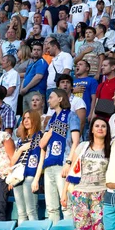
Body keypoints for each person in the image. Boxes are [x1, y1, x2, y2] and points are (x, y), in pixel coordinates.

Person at [62, 117, 110, 230]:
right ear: (92, 130)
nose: (100, 128)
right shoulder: (83, 146)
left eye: (103, 126)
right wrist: (64, 193)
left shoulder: (110, 149)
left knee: (99, 229)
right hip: (80, 194)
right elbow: (72, 169)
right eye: (97, 126)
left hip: (101, 193)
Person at [39, 89, 81, 222]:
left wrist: (69, 163)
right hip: (49, 164)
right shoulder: (52, 120)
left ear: (60, 99)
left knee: (66, 204)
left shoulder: (71, 115)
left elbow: (76, 141)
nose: (48, 100)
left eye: (51, 97)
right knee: (51, 207)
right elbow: (42, 144)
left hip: (63, 162)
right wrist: (52, 129)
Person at [11, 110, 44, 223]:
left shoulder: (40, 137)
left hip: (31, 174)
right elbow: (13, 161)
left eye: (29, 118)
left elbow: (41, 160)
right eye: (24, 118)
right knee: (21, 212)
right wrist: (20, 149)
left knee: (31, 211)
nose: (25, 120)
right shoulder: (22, 140)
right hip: (18, 175)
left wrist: (36, 179)